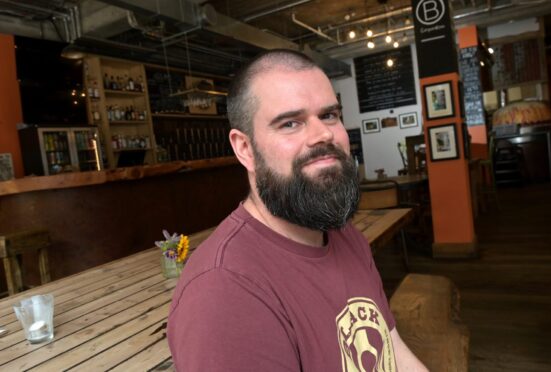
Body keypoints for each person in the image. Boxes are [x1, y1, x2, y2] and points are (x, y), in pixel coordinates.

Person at [168, 49, 427, 372]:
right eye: (290, 123)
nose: (323, 134)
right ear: (245, 149)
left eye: (330, 115)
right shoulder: (224, 293)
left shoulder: (345, 236)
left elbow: (393, 351)